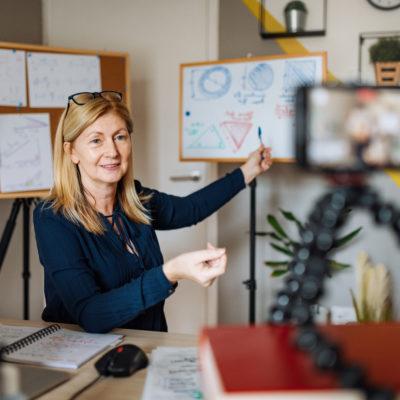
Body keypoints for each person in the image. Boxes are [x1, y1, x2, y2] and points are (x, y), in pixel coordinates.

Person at [33, 91, 272, 333]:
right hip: (84, 357)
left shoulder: (135, 200)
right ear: (71, 151)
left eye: (120, 137)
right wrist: (171, 272)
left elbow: (191, 210)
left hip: (145, 345)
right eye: (96, 140)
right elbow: (92, 314)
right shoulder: (53, 218)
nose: (113, 151)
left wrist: (248, 171)